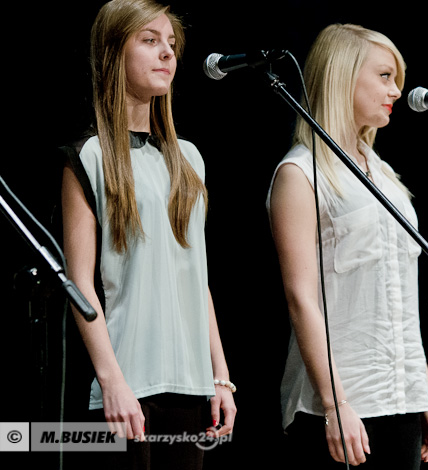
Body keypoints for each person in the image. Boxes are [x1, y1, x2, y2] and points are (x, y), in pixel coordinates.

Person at [60, 0, 236, 467]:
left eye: (172, 44)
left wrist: (219, 375)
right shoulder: (91, 156)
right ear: (114, 53)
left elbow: (195, 276)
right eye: (150, 40)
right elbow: (79, 284)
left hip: (192, 386)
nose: (167, 53)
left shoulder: (189, 158)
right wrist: (112, 380)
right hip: (128, 385)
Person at [266, 23, 428, 469]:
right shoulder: (300, 173)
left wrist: (423, 392)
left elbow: (400, 301)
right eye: (385, 76)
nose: (397, 90)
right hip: (340, 405)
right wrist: (335, 404)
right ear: (342, 76)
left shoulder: (384, 175)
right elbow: (301, 298)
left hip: (401, 398)